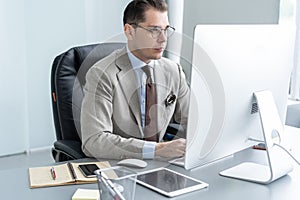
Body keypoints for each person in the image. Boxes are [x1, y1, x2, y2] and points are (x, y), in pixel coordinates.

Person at [80, 0, 190, 160]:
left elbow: (192, 122)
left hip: (160, 167)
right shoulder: (102, 74)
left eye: (166, 30)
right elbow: (94, 141)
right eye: (154, 30)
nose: (163, 39)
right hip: (120, 168)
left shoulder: (174, 71)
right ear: (129, 31)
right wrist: (156, 150)